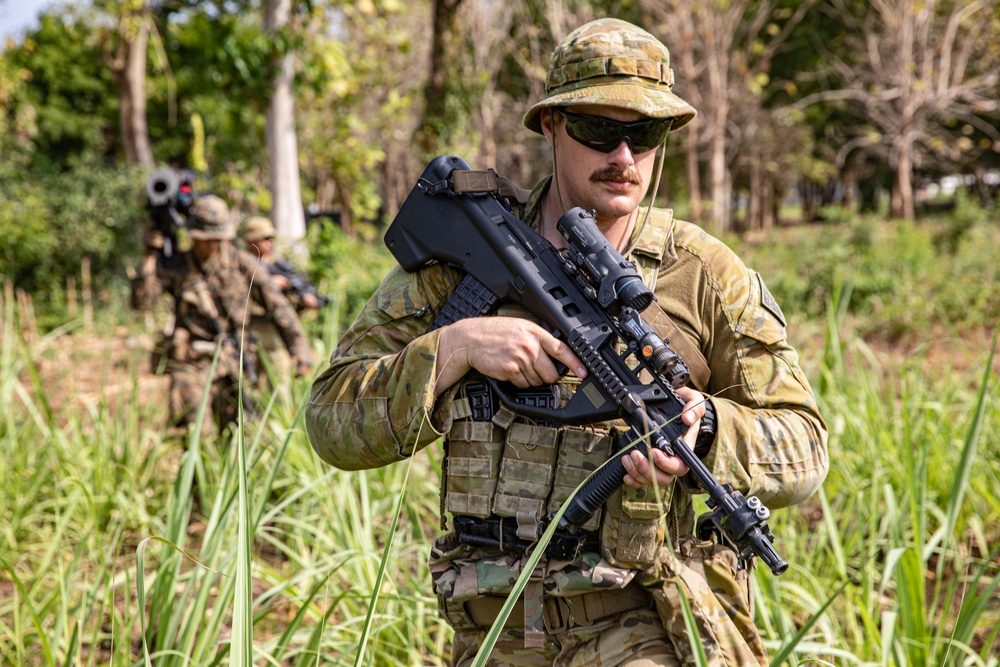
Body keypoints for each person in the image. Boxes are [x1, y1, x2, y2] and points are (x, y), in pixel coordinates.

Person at [305, 18, 828, 667]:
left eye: (646, 134)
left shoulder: (702, 274)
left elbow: (806, 445)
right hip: (494, 632)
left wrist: (708, 430)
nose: (624, 157)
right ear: (551, 125)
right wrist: (455, 349)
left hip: (642, 622)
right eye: (599, 131)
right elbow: (329, 419)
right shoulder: (473, 249)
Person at [132, 195, 312, 438]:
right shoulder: (177, 265)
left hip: (234, 359)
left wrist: (299, 349)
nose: (212, 245)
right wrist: (150, 256)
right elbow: (142, 303)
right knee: (197, 432)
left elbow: (278, 307)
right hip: (191, 361)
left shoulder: (242, 263)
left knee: (242, 435)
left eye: (218, 239)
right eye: (205, 239)